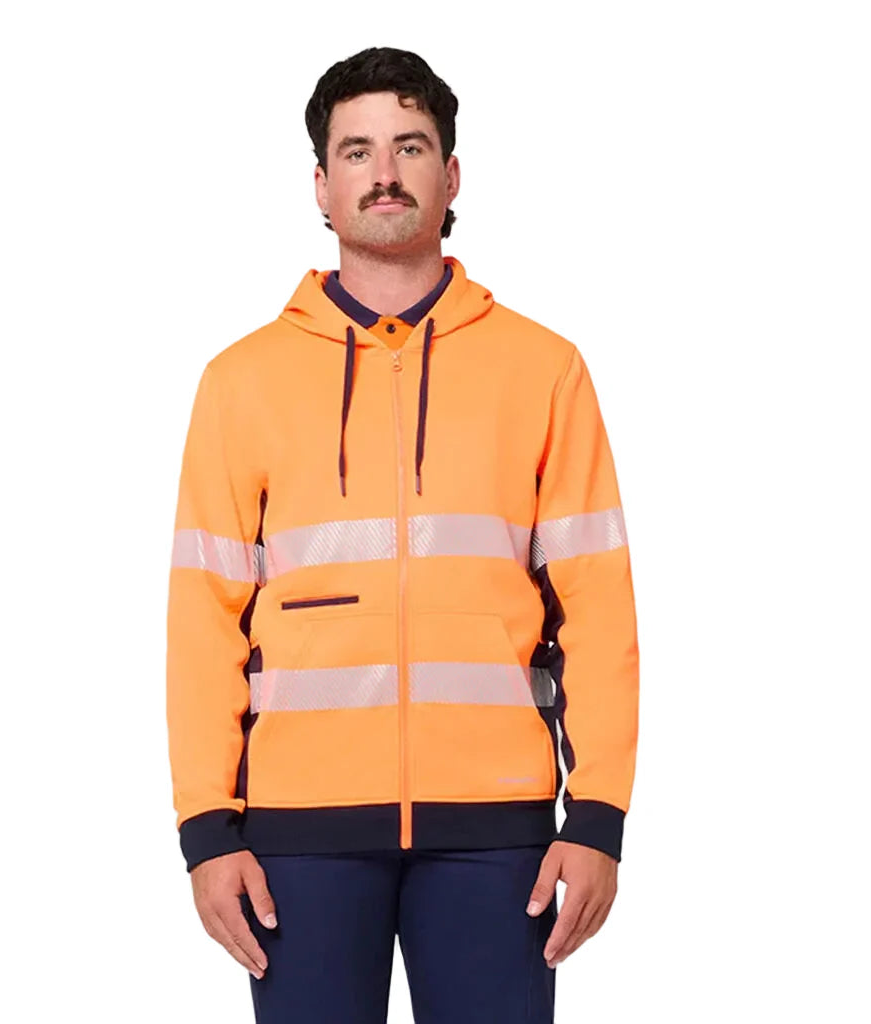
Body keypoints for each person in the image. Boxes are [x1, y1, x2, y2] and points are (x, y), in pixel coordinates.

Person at [166, 46, 640, 1024]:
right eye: (357, 151)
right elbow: (202, 620)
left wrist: (598, 816)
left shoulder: (543, 369)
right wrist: (206, 829)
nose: (384, 172)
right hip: (296, 838)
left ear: (451, 174)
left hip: (498, 833)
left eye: (410, 146)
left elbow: (598, 608)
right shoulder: (240, 382)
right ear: (321, 185)